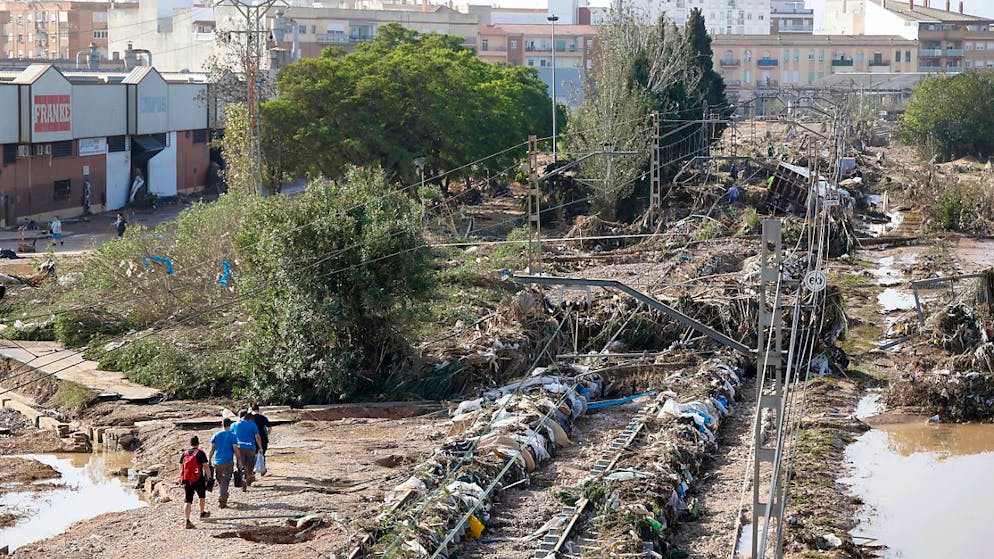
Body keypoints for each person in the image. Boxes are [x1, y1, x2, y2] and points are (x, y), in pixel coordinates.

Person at [179, 435, 211, 529]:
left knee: (188, 500)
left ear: (190, 444)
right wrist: (209, 477)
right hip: (198, 479)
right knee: (201, 496)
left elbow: (181, 467)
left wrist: (182, 478)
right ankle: (202, 513)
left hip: (187, 479)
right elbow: (205, 466)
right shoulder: (200, 453)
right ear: (198, 443)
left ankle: (187, 520)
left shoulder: (184, 454)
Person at [208, 417, 238, 508]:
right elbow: (236, 450)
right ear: (230, 425)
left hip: (217, 462)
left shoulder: (216, 435)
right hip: (228, 461)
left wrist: (209, 460)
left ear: (222, 424)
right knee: (225, 481)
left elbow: (212, 449)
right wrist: (239, 461)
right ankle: (222, 497)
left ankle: (223, 494)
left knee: (220, 479)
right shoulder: (233, 436)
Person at [233, 409, 262, 490]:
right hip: (250, 448)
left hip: (239, 448)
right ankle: (248, 478)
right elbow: (257, 436)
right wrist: (260, 447)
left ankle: (243, 480)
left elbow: (231, 436)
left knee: (241, 465)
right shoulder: (253, 425)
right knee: (250, 464)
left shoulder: (234, 425)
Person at [250, 404, 272, 476]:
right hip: (263, 438)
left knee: (253, 455)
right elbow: (269, 428)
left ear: (251, 409)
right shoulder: (263, 418)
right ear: (258, 410)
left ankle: (253, 470)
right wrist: (266, 434)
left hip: (252, 439)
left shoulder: (249, 418)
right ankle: (262, 469)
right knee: (262, 453)